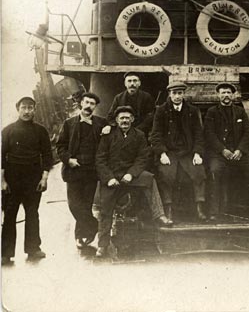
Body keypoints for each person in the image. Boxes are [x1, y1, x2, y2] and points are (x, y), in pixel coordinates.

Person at [95, 105, 172, 258]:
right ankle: (102, 245)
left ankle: (159, 214)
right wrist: (109, 178)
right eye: (121, 118)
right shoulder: (108, 135)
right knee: (105, 209)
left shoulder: (139, 135)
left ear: (132, 119)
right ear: (116, 120)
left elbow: (142, 158)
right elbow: (100, 159)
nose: (125, 121)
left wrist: (131, 174)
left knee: (149, 179)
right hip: (112, 177)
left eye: (127, 118)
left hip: (131, 175)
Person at [1, 96, 53, 264]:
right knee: (9, 214)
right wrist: (2, 181)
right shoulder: (8, 131)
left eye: (30, 107)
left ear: (34, 110)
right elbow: (1, 156)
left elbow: (47, 156)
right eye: (23, 107)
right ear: (18, 109)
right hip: (12, 178)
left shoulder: (40, 131)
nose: (27, 111)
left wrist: (44, 178)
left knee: (32, 213)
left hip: (33, 178)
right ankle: (5, 253)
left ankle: (33, 249)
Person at [56, 92, 107, 250]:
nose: (88, 106)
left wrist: (108, 129)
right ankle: (94, 225)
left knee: (85, 205)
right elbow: (60, 146)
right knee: (74, 205)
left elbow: (112, 130)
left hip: (91, 171)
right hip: (74, 170)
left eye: (92, 103)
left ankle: (81, 236)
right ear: (81, 104)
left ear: (95, 107)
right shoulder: (69, 123)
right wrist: (68, 160)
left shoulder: (101, 123)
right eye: (86, 102)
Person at [204, 82, 249, 220]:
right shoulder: (212, 112)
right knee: (215, 171)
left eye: (229, 93)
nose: (226, 95)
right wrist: (222, 150)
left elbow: (247, 132)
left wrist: (240, 150)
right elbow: (209, 134)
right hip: (219, 154)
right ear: (218, 95)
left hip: (238, 153)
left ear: (233, 95)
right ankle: (214, 212)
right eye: (223, 92)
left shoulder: (240, 111)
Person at [150, 82, 207, 222]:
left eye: (180, 93)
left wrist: (197, 153)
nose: (177, 96)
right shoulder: (161, 110)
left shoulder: (192, 111)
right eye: (174, 93)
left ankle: (199, 208)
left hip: (188, 152)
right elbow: (155, 135)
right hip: (169, 152)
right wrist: (162, 153)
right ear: (169, 94)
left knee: (199, 172)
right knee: (166, 174)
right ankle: (168, 210)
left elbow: (199, 134)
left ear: (184, 94)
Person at [107, 72, 155, 136]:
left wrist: (137, 130)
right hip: (122, 132)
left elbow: (150, 117)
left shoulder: (146, 97)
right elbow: (110, 116)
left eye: (135, 81)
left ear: (139, 83)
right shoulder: (119, 98)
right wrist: (119, 128)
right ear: (125, 84)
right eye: (129, 81)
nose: (132, 83)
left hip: (141, 132)